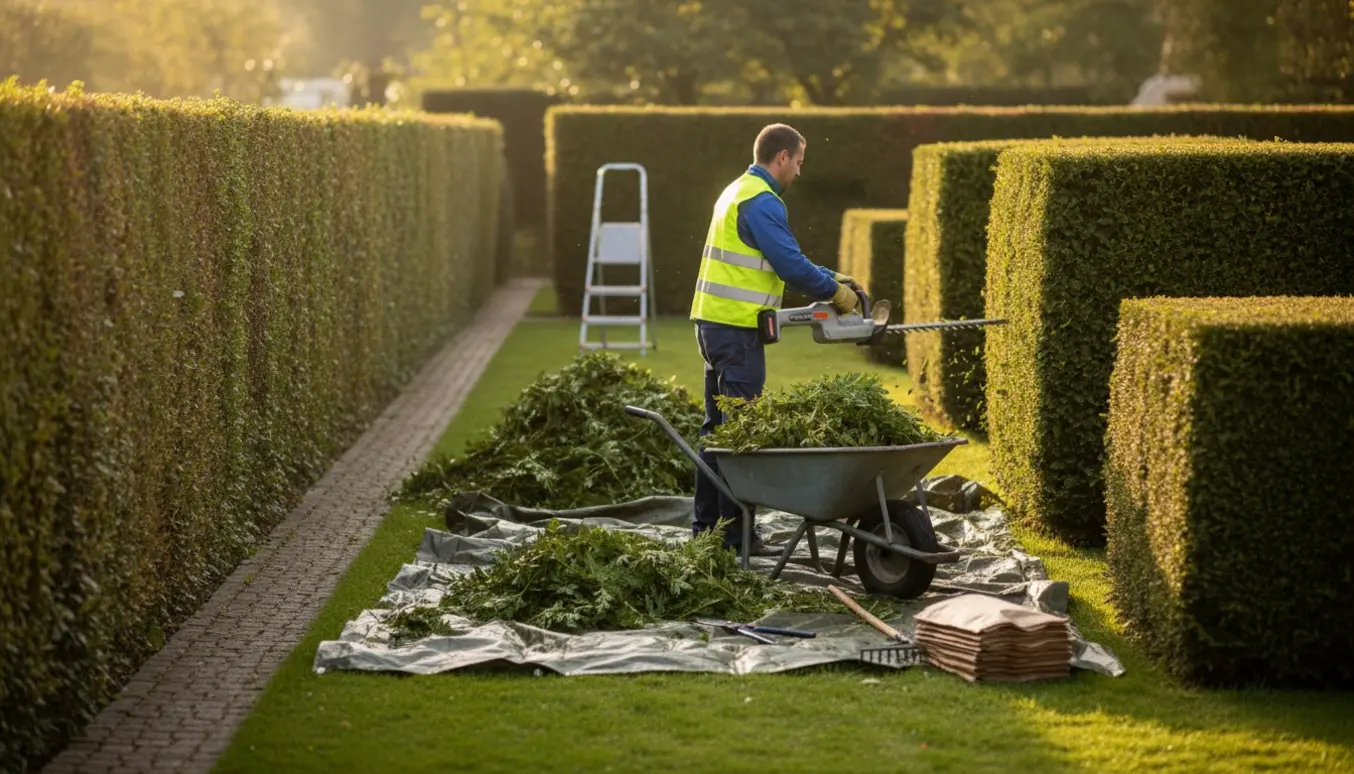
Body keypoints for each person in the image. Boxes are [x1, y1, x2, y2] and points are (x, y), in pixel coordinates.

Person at [688, 122, 861, 556]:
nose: (799, 172)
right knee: (741, 437)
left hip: (713, 326)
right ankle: (734, 538)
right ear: (781, 157)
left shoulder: (737, 190)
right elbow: (789, 265)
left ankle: (706, 531)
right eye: (799, 162)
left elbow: (783, 256)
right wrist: (836, 293)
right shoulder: (762, 201)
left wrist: (833, 276)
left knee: (717, 432)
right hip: (737, 333)